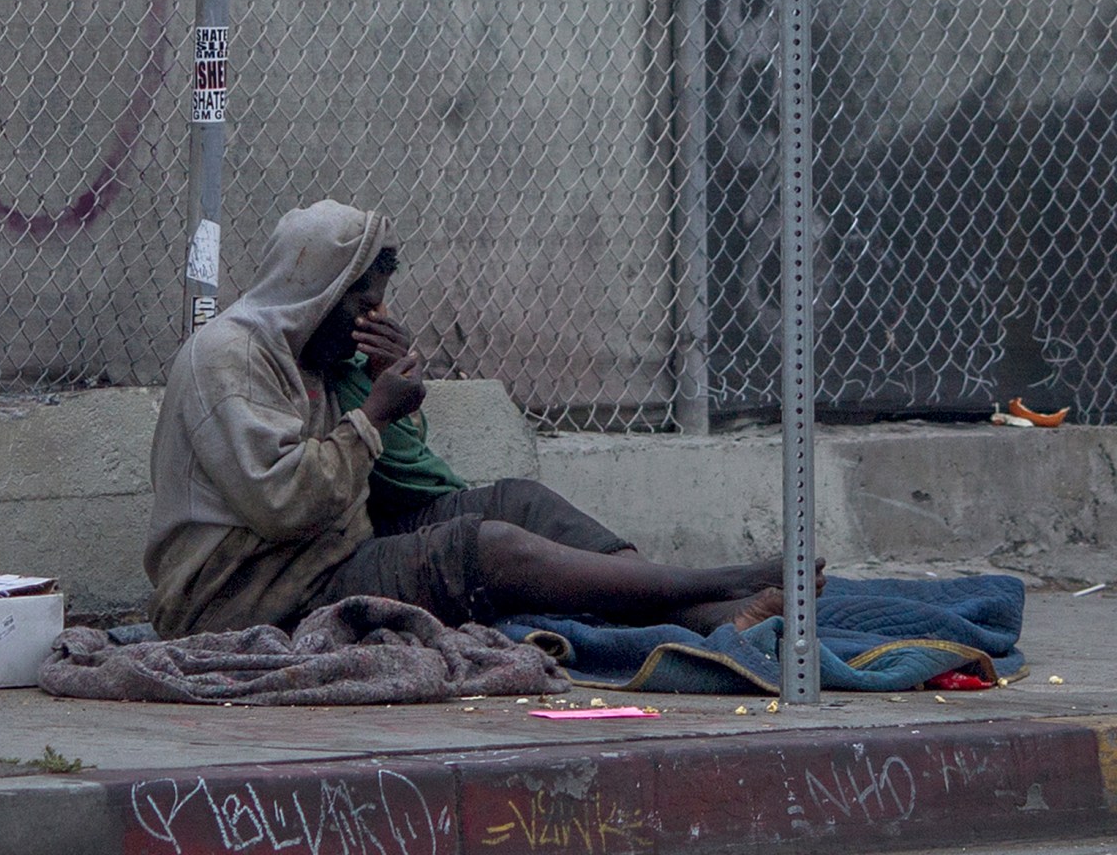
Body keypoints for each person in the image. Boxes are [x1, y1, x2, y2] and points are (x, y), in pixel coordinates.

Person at [146, 199, 802, 638]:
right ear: (315, 292)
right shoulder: (229, 355)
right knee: (484, 552)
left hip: (329, 550)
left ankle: (701, 613)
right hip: (248, 597)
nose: (373, 317)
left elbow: (399, 478)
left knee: (520, 503)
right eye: (359, 300)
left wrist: (381, 395)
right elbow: (282, 501)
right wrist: (373, 414)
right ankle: (711, 587)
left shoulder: (317, 356)